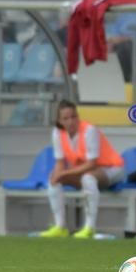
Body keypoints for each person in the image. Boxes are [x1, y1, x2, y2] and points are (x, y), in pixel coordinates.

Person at [39, 99, 125, 239]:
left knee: (88, 178)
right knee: (54, 179)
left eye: (74, 116)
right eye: (66, 118)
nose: (71, 121)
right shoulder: (57, 133)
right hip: (86, 170)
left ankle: (89, 228)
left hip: (112, 168)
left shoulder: (89, 130)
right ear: (59, 121)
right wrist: (57, 175)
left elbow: (92, 163)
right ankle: (60, 227)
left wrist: (64, 173)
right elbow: (60, 162)